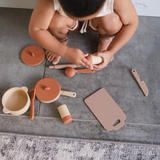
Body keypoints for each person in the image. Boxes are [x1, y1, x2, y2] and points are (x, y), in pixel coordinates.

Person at [29, 0, 138, 70]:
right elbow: (36, 29)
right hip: (70, 22)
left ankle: (105, 39)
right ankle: (61, 40)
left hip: (97, 23)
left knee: (112, 22)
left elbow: (132, 23)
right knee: (55, 21)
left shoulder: (116, 1)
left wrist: (111, 52)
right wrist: (64, 51)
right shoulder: (50, 1)